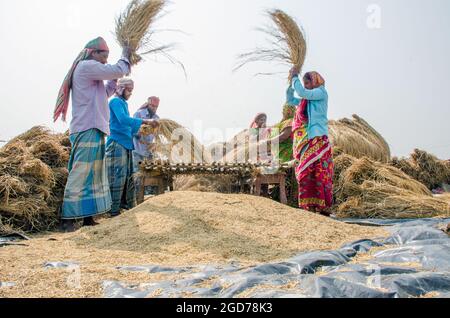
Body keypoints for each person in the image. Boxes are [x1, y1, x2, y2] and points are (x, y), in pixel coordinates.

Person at [55, 37, 131, 232]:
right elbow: (118, 69)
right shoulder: (86, 66)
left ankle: (87, 217)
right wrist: (126, 54)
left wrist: (116, 75)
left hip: (95, 127)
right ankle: (67, 218)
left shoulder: (91, 72)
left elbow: (104, 93)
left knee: (93, 175)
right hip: (86, 127)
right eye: (103, 56)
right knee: (81, 172)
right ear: (93, 53)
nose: (105, 60)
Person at [106, 79, 158, 217]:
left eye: (131, 91)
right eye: (129, 90)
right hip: (117, 143)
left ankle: (126, 206)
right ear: (121, 88)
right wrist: (144, 121)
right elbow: (123, 120)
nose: (130, 93)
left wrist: (141, 130)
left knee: (128, 177)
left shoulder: (123, 103)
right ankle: (113, 210)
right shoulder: (115, 102)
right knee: (118, 176)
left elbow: (129, 126)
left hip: (127, 144)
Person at [289, 68, 334, 216]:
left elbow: (302, 92)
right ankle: (310, 205)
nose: (306, 85)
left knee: (319, 171)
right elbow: (290, 100)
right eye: (304, 83)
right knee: (306, 171)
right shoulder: (307, 99)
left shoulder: (320, 92)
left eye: (307, 82)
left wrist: (295, 77)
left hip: (318, 137)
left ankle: (322, 206)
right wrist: (290, 82)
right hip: (309, 139)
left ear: (315, 82)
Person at [132, 96, 161, 196]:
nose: (154, 108)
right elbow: (132, 131)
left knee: (150, 175)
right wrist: (141, 132)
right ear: (147, 104)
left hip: (149, 153)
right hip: (138, 151)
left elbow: (157, 136)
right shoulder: (138, 114)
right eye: (152, 106)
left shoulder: (157, 119)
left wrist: (155, 144)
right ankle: (136, 197)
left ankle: (148, 197)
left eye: (156, 107)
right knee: (137, 176)